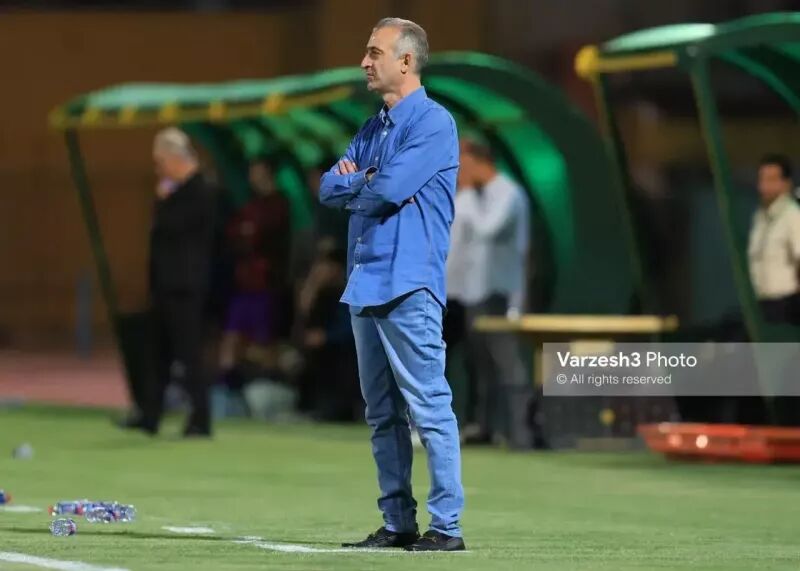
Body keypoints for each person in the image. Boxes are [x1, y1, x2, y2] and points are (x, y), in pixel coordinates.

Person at [319, 17, 465, 552]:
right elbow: (327, 188)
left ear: (406, 61)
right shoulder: (372, 127)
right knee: (381, 415)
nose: (364, 62)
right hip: (365, 282)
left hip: (408, 283)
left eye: (374, 52)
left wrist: (359, 182)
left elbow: (389, 190)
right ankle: (398, 522)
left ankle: (446, 527)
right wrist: (366, 181)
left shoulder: (434, 122)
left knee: (429, 407)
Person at [452, 138, 535, 449]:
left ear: (477, 161)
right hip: (475, 291)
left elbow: (489, 229)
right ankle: (486, 428)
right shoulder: (478, 196)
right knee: (482, 363)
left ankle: (522, 433)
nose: (459, 173)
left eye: (462, 165)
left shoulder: (509, 193)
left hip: (501, 292)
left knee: (508, 362)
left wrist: (466, 197)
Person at [137, 128, 216, 437]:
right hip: (166, 284)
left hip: (184, 285)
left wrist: (164, 202)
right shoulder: (179, 190)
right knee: (156, 353)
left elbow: (175, 228)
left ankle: (200, 419)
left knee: (189, 354)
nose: (158, 169)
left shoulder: (200, 190)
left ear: (173, 157)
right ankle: (149, 416)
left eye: (160, 162)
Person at [217, 158, 289, 395]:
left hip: (266, 284)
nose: (252, 178)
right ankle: (227, 392)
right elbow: (235, 234)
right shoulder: (249, 205)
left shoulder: (279, 204)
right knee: (231, 337)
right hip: (244, 285)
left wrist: (250, 234)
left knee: (264, 342)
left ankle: (270, 389)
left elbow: (260, 235)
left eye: (256, 172)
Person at [748, 153, 800, 326]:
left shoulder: (793, 215)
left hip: (786, 305)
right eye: (762, 179)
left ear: (786, 183)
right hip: (761, 303)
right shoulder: (760, 217)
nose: (764, 186)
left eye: (771, 180)